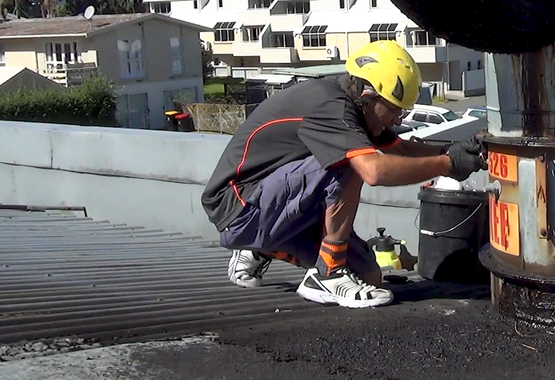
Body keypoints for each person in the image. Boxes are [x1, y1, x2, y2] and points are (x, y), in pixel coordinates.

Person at [200, 40, 487, 309]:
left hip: (271, 204)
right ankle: (329, 272)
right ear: (367, 94)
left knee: (369, 275)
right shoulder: (331, 106)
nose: (398, 119)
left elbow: (399, 147)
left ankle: (261, 248)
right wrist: (448, 165)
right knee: (351, 162)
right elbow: (373, 171)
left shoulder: (357, 107)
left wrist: (452, 149)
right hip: (238, 207)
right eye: (395, 110)